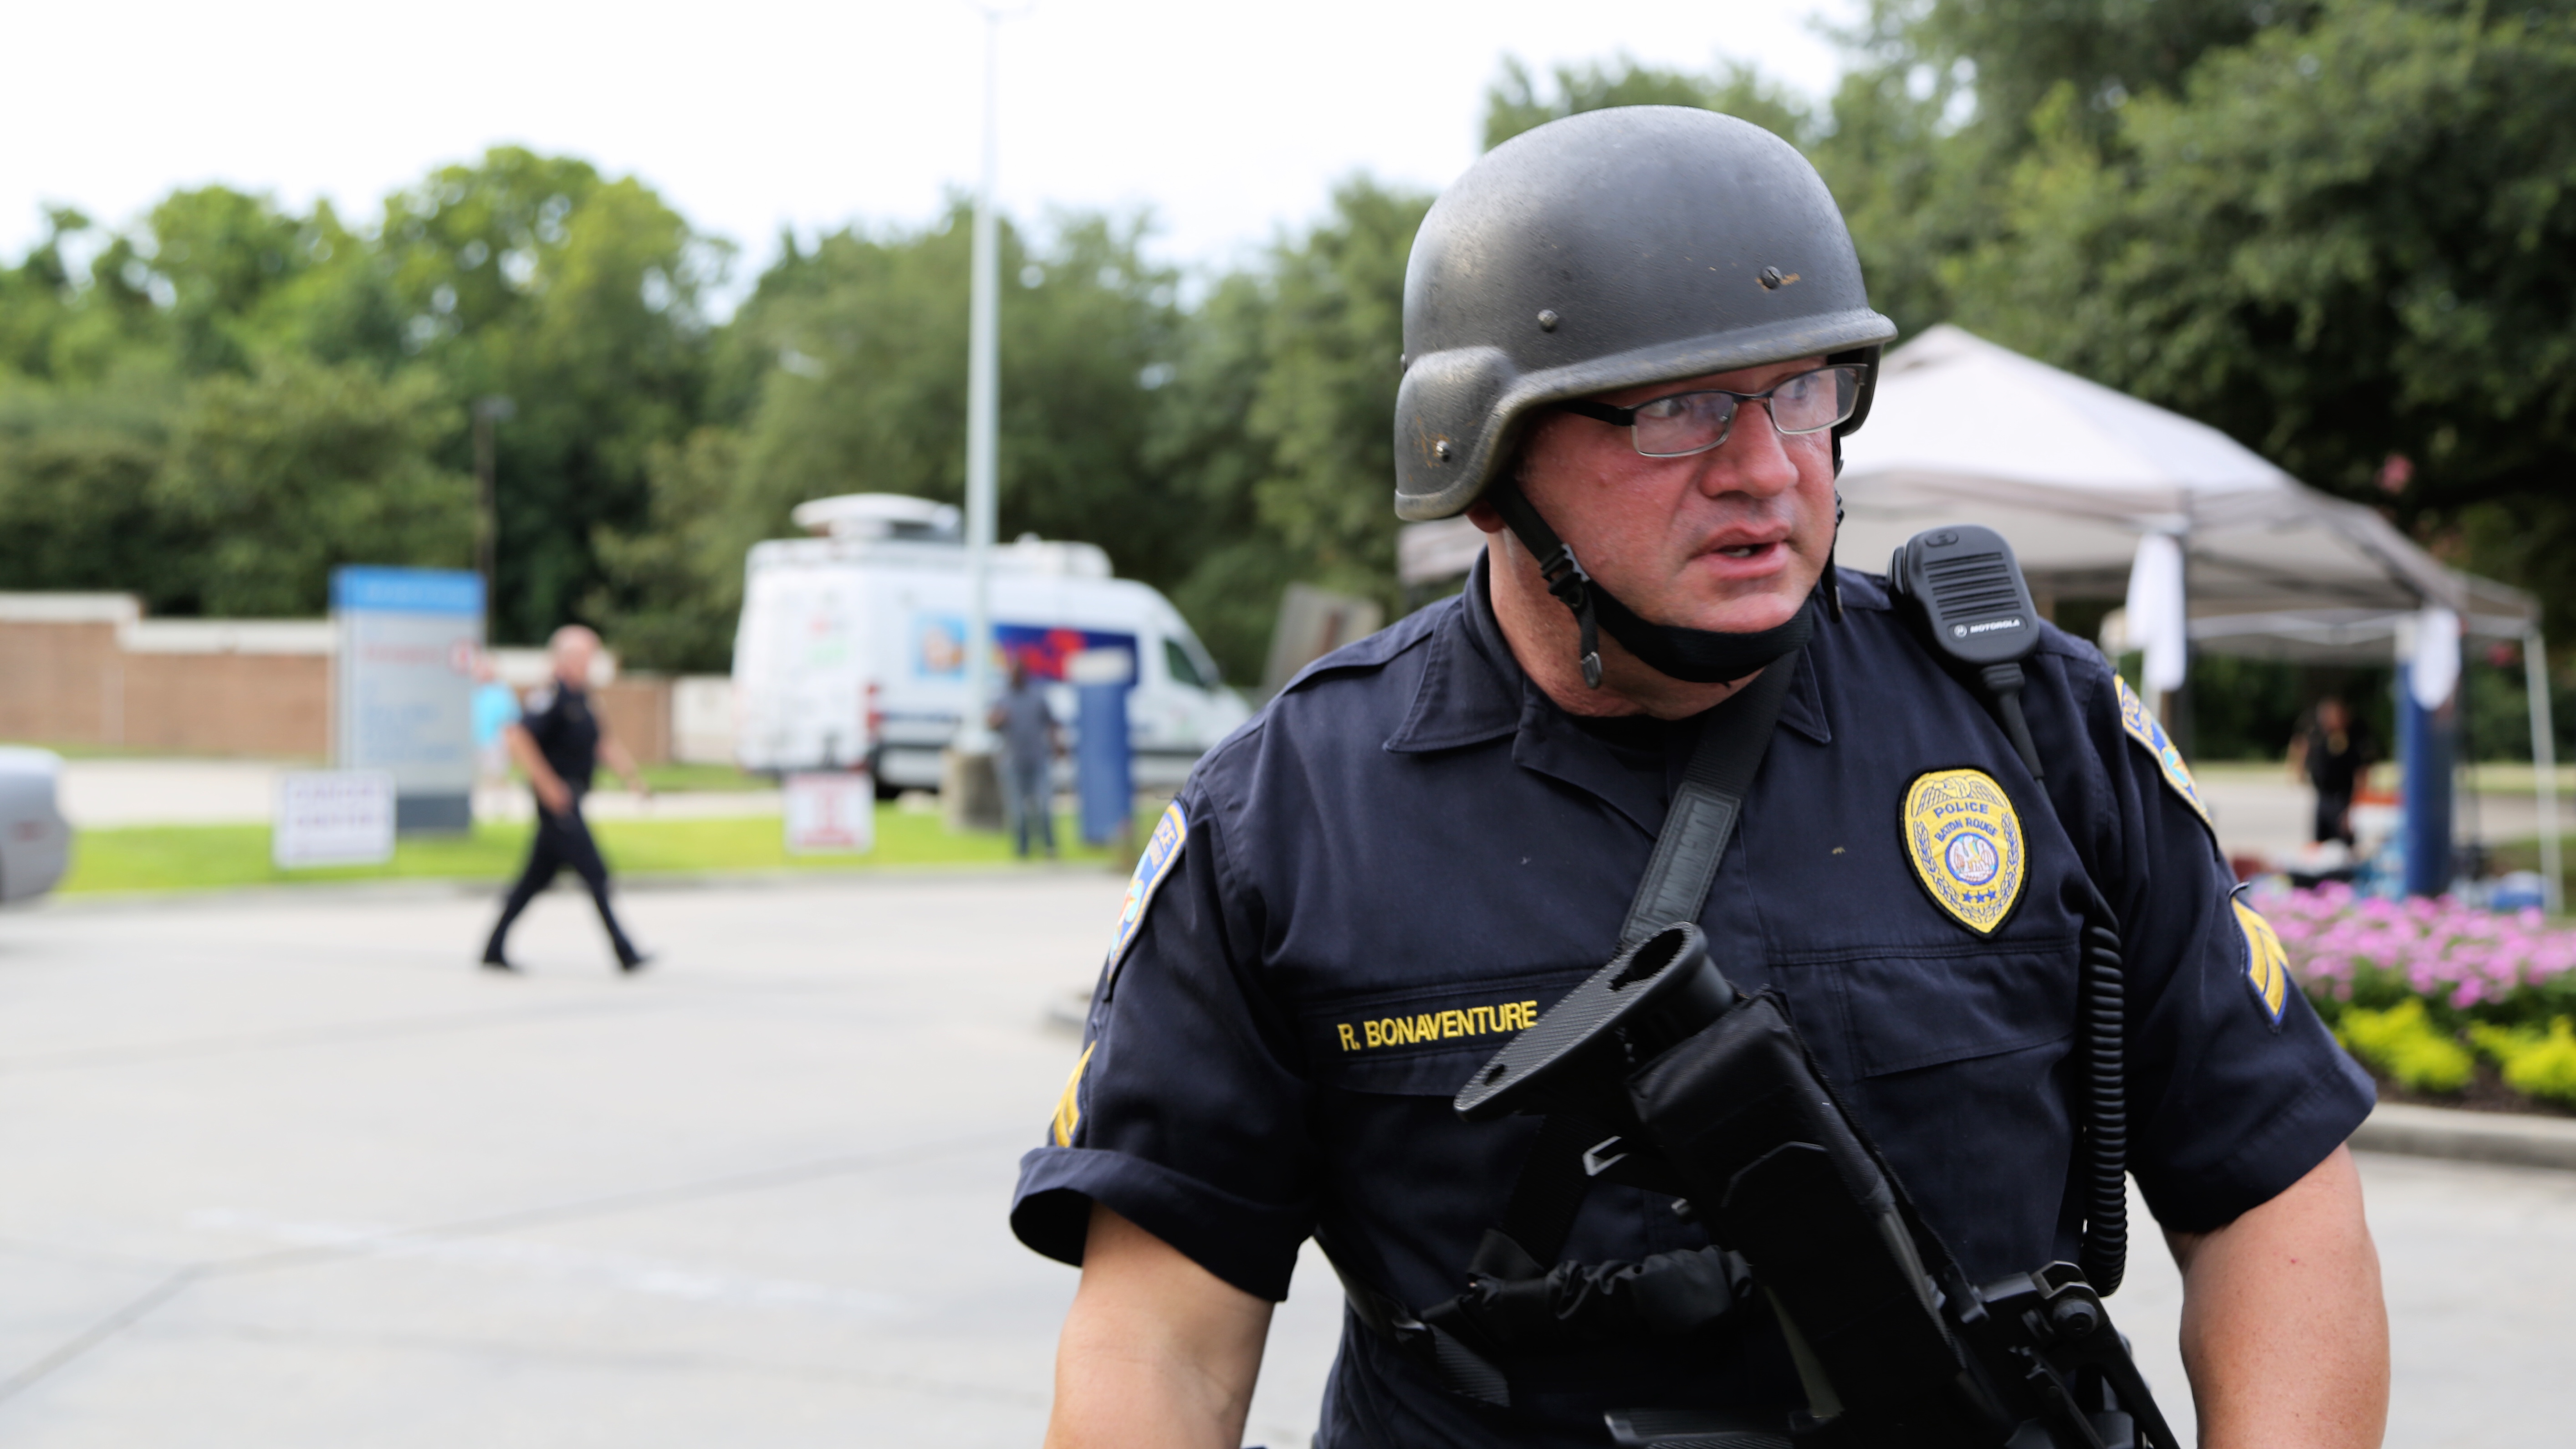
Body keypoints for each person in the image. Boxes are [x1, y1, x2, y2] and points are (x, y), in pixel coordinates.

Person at [1013, 109, 2387, 1448]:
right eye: (1678, 410)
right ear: (1484, 465)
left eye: (1801, 392)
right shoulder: (1291, 816)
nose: (1765, 468)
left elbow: (2273, 1204)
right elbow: (1162, 1344)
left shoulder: (2038, 727)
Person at [481, 625, 652, 973]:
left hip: (573, 796)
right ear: (569, 657)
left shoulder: (583, 696)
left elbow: (601, 741)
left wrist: (632, 778)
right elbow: (518, 737)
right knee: (595, 872)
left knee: (535, 878)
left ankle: (493, 947)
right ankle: (625, 951)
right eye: (589, 655)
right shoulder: (550, 694)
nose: (592, 663)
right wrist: (549, 787)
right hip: (559, 802)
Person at [990, 655, 1063, 859]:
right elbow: (991, 724)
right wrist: (997, 720)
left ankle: (1049, 846)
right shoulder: (1003, 699)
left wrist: (1057, 747)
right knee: (1018, 810)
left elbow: (1051, 724)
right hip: (1013, 760)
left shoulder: (1037, 697)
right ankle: (1022, 849)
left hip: (1038, 758)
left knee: (1044, 805)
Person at [2290, 696, 2369, 846]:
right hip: (2322, 797)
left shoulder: (2352, 740)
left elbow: (2361, 774)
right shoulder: (2318, 735)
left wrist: (2355, 807)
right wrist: (2299, 769)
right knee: (2319, 844)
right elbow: (2301, 745)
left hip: (2342, 799)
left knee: (2343, 846)